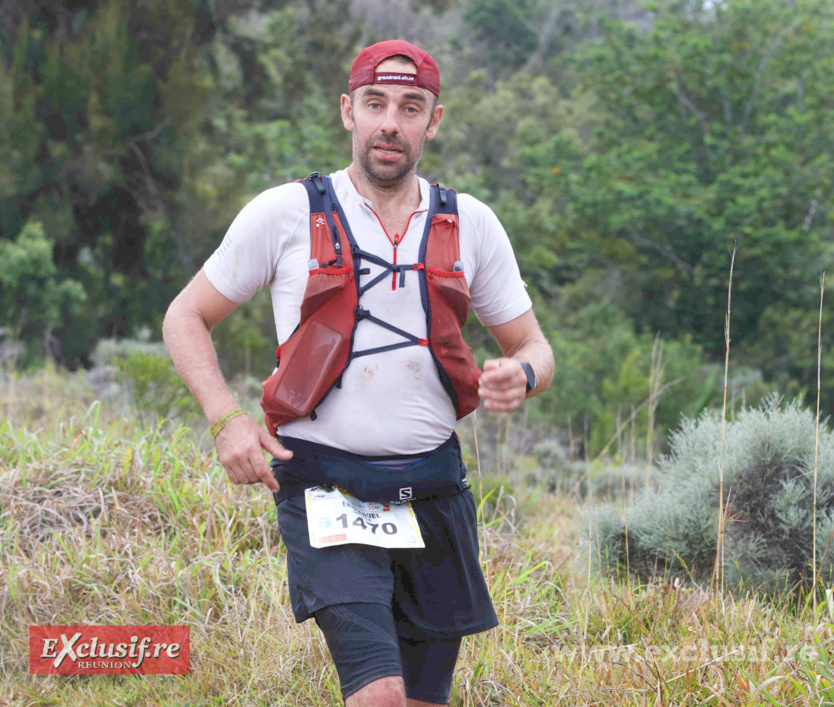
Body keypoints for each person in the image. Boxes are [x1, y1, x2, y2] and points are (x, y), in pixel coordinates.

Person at [163, 39, 554, 707]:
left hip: (433, 490)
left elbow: (536, 346)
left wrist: (522, 373)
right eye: (375, 104)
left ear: (434, 120)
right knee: (378, 694)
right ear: (349, 111)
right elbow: (184, 316)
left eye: (410, 107)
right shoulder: (286, 213)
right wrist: (226, 419)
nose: (390, 123)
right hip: (326, 489)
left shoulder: (471, 224)